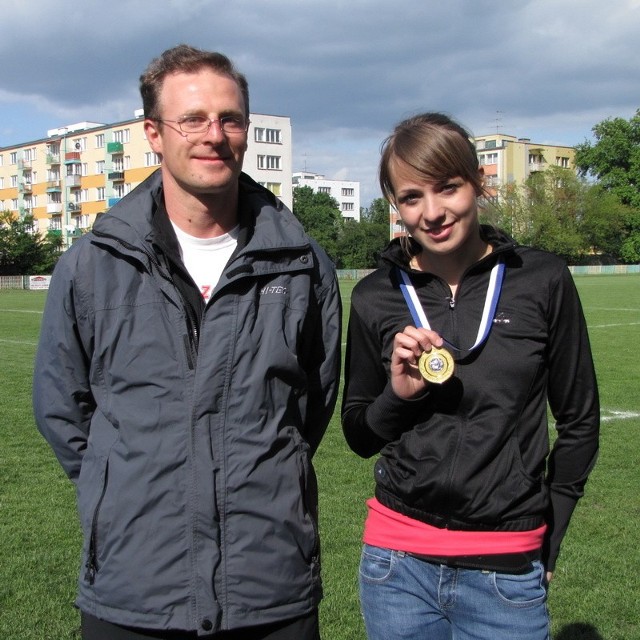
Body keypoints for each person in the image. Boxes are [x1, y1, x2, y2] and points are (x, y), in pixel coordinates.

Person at [33, 44, 341, 640]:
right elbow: (62, 411)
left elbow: (311, 407)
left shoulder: (301, 265)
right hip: (134, 584)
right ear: (153, 132)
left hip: (269, 585)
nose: (214, 135)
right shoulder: (92, 266)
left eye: (230, 119)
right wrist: (119, 485)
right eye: (193, 119)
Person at [341, 112, 599, 640]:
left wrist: (550, 535)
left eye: (448, 188)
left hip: (505, 570)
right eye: (411, 197)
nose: (432, 212)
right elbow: (358, 434)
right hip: (396, 568)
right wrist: (397, 394)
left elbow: (579, 419)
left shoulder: (541, 278)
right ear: (395, 205)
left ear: (478, 184)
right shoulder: (375, 295)